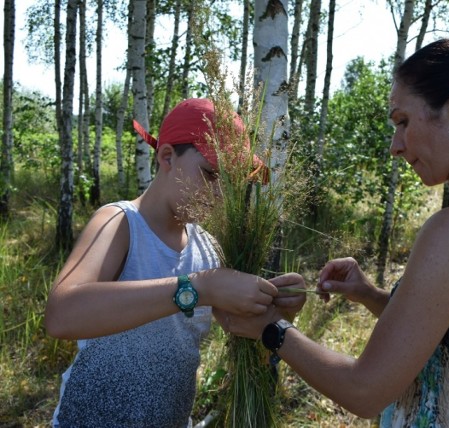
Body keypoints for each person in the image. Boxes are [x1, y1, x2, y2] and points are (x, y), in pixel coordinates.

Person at [220, 38, 449, 427]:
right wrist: (368, 294)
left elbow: (364, 391)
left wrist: (270, 329)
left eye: (403, 122)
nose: (395, 146)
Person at [44, 98, 306, 427]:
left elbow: (242, 329)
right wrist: (196, 288)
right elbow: (61, 315)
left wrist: (276, 309)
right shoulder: (120, 223)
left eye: (232, 181)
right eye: (211, 174)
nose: (221, 194)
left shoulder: (208, 248)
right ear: (167, 156)